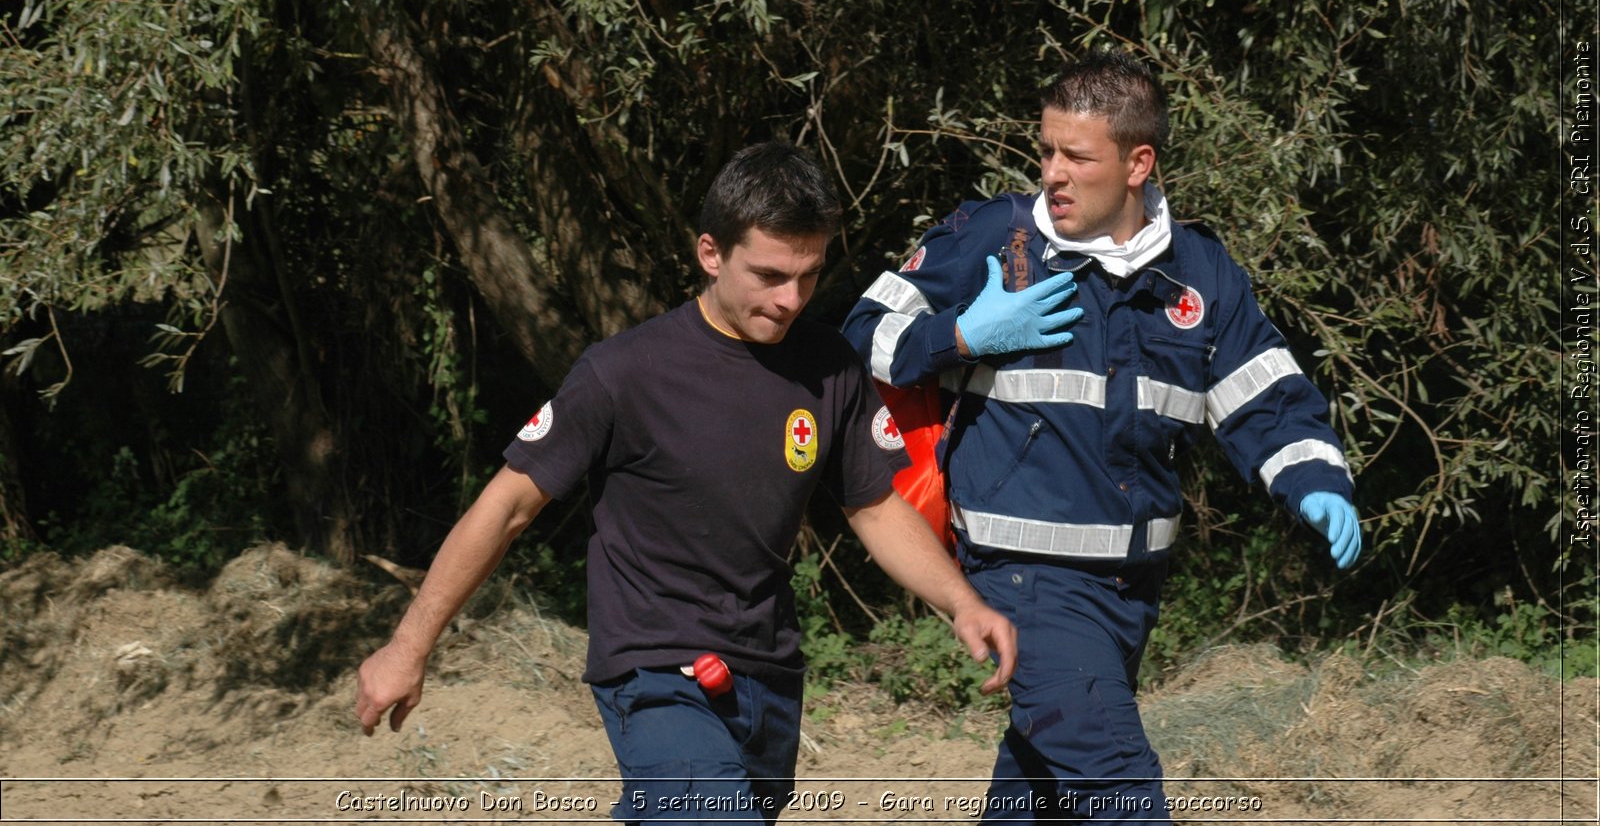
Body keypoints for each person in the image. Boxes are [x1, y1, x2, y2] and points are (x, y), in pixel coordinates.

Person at [355, 141, 1017, 824]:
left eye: (808, 276)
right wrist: (409, 646)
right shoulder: (623, 373)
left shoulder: (829, 367)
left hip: (769, 675)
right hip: (655, 669)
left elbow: (875, 507)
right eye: (768, 275)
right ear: (711, 253)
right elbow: (505, 509)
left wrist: (962, 603)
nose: (790, 299)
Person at [841, 51, 1361, 822]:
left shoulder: (1201, 274)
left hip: (1131, 592)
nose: (1053, 172)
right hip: (1024, 581)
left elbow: (1267, 395)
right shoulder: (992, 237)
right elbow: (860, 334)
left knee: (1040, 798)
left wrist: (1315, 481)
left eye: (1076, 156)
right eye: (1045, 150)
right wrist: (959, 337)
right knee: (1121, 792)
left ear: (1137, 163)